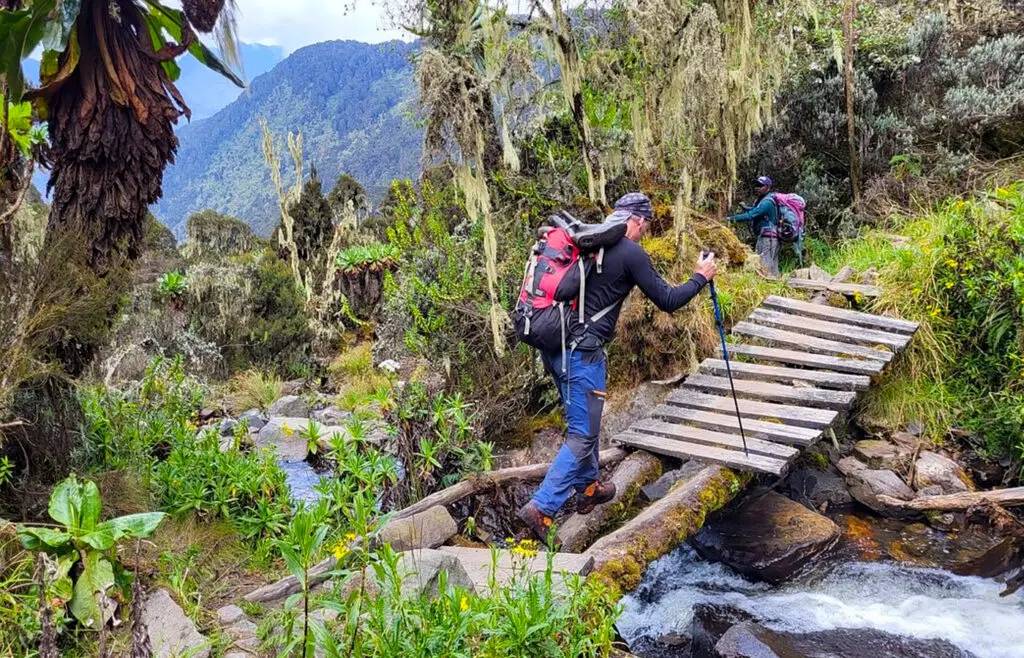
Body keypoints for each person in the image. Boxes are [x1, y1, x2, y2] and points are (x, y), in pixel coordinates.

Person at [517, 192, 718, 546]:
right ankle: (542, 508)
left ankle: (589, 487)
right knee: (582, 434)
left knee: (585, 424)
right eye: (646, 225)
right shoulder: (629, 251)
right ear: (637, 220)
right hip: (584, 354)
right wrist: (701, 277)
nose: (644, 232)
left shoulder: (586, 245)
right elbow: (668, 300)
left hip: (556, 349)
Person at [727, 175, 780, 278]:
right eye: (757, 185)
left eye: (761, 185)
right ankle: (775, 285)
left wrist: (731, 219)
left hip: (768, 238)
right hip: (767, 236)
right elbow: (755, 210)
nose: (757, 187)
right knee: (770, 264)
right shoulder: (763, 200)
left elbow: (751, 215)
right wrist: (746, 208)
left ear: (768, 187)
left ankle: (768, 286)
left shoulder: (767, 202)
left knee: (765, 264)